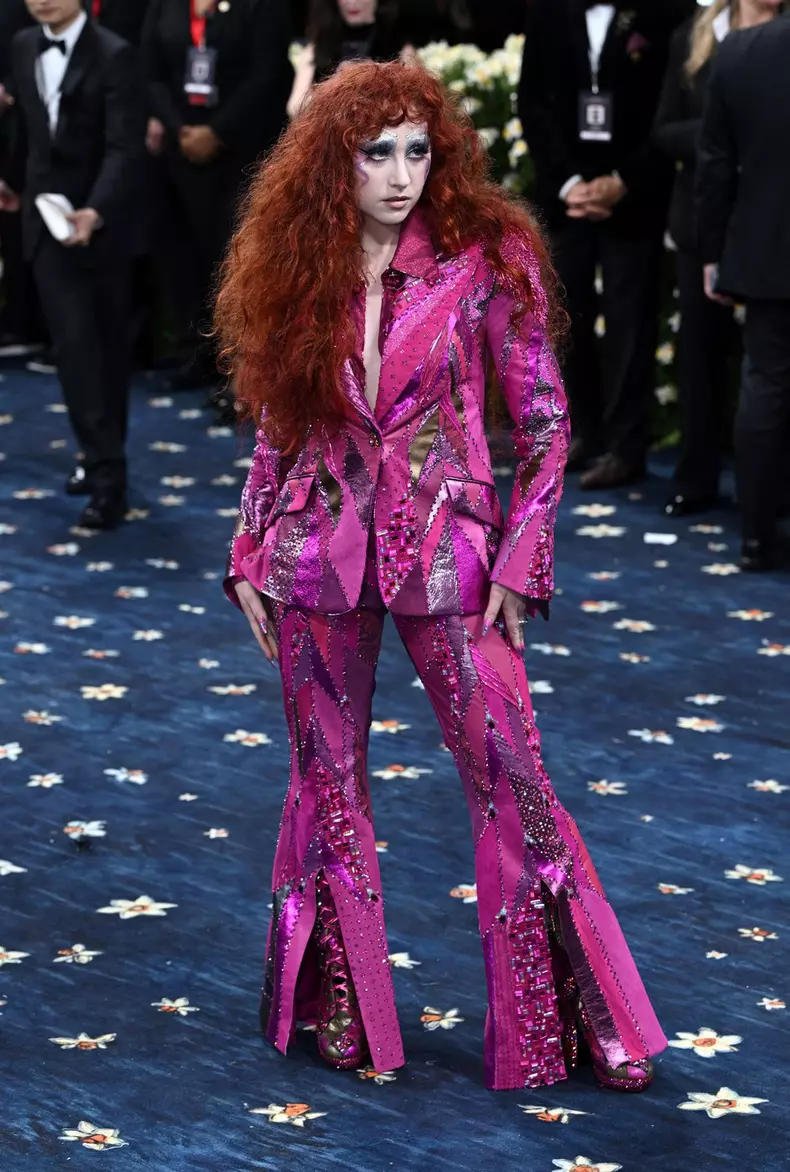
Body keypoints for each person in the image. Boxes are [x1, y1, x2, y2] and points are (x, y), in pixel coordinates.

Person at [216, 59, 666, 1091]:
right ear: (337, 159)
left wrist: (523, 552)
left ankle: (581, 1015)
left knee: (515, 775)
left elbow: (547, 426)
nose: (401, 174)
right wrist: (247, 547)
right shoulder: (302, 259)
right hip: (313, 556)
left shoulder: (484, 259)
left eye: (419, 152)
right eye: (377, 153)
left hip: (451, 556)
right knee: (325, 784)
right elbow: (280, 427)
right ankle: (339, 1003)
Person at [518, 0, 694, 490]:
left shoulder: (664, 15)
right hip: (567, 196)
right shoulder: (548, 13)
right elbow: (531, 102)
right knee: (566, 313)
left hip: (634, 196)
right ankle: (583, 432)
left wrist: (622, 181)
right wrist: (570, 182)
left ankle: (626, 446)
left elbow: (669, 110)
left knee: (630, 321)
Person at [0, 0, 145, 527]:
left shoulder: (115, 54)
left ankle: (103, 459)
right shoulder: (20, 45)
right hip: (43, 220)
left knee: (105, 352)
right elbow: (31, 127)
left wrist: (95, 211)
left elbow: (123, 147)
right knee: (76, 349)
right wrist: (12, 181)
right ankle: (108, 479)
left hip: (102, 225)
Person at [654, 0, 784, 519]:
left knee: (767, 373)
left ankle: (764, 498)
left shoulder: (773, 40)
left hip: (768, 223)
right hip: (705, 218)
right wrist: (720, 130)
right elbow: (663, 129)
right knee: (701, 355)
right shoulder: (693, 37)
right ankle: (698, 476)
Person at [141, 0, 292, 390]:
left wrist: (217, 132)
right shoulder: (166, 6)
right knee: (180, 257)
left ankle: (239, 373)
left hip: (241, 151)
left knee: (235, 259)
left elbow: (268, 74)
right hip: (180, 147)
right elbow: (151, 72)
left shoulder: (261, 8)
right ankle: (191, 355)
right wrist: (180, 130)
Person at [697, 8, 790, 571]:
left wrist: (713, 255)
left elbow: (715, 167)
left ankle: (756, 536)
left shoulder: (739, 52)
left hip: (764, 252)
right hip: (765, 252)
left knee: (766, 387)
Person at [288, 0, 467, 119]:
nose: (353, 2)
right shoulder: (320, 45)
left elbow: (422, 104)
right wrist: (336, 85)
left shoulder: (397, 44)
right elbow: (295, 107)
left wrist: (380, 80)